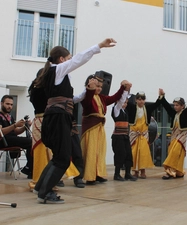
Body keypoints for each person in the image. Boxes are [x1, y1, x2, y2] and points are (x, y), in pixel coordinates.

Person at [34, 38, 117, 204]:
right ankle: (45, 192)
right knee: (63, 157)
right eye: (69, 57)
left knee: (59, 156)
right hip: (58, 117)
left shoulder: (55, 74)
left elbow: (73, 99)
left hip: (56, 116)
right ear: (62, 59)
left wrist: (88, 90)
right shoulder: (58, 70)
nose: (71, 60)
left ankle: (41, 187)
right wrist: (99, 46)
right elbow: (80, 58)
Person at [28, 69, 89, 191]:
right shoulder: (43, 90)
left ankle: (46, 182)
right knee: (52, 154)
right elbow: (69, 99)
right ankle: (44, 183)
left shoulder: (36, 88)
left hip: (42, 121)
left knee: (51, 154)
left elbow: (71, 99)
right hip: (47, 121)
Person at [80, 75, 130, 185]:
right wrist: (90, 88)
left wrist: (123, 88)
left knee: (99, 151)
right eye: (97, 86)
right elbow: (88, 101)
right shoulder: (86, 96)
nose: (99, 88)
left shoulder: (102, 98)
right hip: (90, 128)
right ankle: (89, 176)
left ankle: (97, 174)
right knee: (91, 152)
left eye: (100, 87)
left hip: (99, 128)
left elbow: (114, 98)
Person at [0, 95, 33, 178]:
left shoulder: (10, 117)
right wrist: (15, 125)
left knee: (31, 141)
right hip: (3, 141)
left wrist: (25, 127)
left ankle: (30, 167)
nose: (9, 106)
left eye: (11, 105)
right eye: (7, 104)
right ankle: (29, 168)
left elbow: (16, 131)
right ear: (1, 103)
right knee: (30, 141)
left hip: (12, 139)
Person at [159, 89, 187, 179]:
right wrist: (162, 96)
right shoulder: (174, 114)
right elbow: (167, 107)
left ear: (182, 106)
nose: (175, 107)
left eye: (177, 105)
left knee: (175, 152)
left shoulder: (185, 114)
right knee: (173, 152)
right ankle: (178, 172)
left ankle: (170, 172)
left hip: (182, 137)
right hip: (174, 136)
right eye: (174, 105)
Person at [126, 90, 162, 179]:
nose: (141, 101)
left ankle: (143, 171)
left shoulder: (148, 108)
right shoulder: (132, 108)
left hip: (143, 134)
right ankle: (135, 171)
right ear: (136, 100)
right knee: (134, 153)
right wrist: (125, 91)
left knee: (143, 153)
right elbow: (125, 101)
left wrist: (161, 96)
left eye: (143, 99)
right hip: (134, 134)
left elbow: (157, 104)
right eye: (139, 99)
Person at [111, 91, 138, 182]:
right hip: (118, 136)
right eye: (123, 102)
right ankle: (117, 174)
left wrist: (128, 93)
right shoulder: (116, 110)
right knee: (120, 154)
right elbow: (119, 103)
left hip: (125, 136)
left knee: (128, 154)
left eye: (126, 102)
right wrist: (124, 92)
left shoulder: (125, 111)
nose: (125, 104)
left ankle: (127, 173)